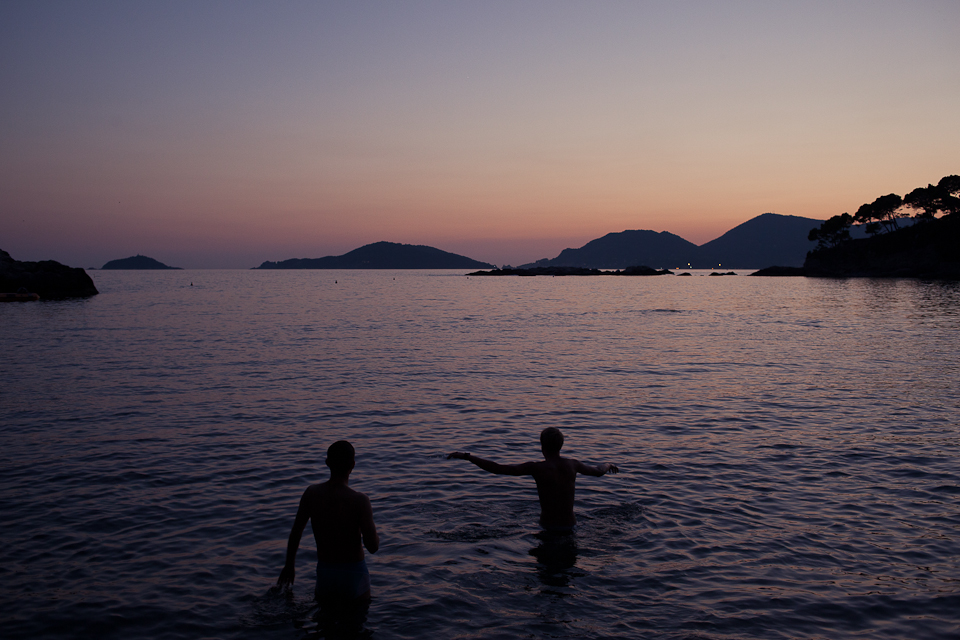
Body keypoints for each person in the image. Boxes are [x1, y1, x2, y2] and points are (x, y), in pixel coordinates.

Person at [447, 427, 619, 531]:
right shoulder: (573, 465)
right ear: (561, 445)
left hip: (548, 527)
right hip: (570, 527)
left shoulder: (537, 468)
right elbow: (598, 471)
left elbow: (498, 469)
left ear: (542, 446)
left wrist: (467, 457)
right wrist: (608, 463)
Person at [277, 440, 379, 603]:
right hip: (354, 573)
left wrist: (289, 566)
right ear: (353, 464)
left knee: (325, 623)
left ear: (327, 463)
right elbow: (373, 547)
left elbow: (296, 532)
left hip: (325, 572)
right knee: (357, 624)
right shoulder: (360, 500)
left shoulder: (312, 494)